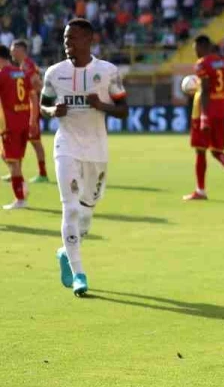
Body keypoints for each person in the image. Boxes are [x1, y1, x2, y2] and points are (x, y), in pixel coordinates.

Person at [40, 19, 129, 296]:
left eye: (74, 38)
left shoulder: (108, 72)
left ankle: (65, 251)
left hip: (97, 150)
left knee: (86, 215)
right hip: (66, 145)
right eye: (65, 39)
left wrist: (100, 105)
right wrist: (54, 111)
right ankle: (79, 273)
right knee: (71, 207)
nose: (68, 44)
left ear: (90, 39)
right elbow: (43, 104)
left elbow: (124, 109)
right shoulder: (54, 73)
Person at [182, 36, 224, 201]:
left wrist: (204, 116)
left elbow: (204, 90)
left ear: (204, 46)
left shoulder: (202, 64)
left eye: (196, 48)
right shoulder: (223, 63)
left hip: (205, 110)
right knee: (217, 150)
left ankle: (200, 191)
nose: (195, 52)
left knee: (200, 150)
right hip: (221, 108)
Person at [5, 40, 49, 184]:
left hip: (29, 109)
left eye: (13, 49)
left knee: (35, 142)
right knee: (19, 142)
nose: (11, 52)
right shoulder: (21, 66)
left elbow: (36, 85)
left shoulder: (29, 65)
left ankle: (43, 173)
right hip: (23, 109)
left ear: (21, 50)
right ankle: (16, 173)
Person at [0, 46, 32, 210]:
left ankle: (20, 198)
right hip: (23, 121)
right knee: (13, 158)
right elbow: (32, 93)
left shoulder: (2, 75)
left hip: (9, 125)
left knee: (12, 162)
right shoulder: (22, 73)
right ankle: (23, 186)